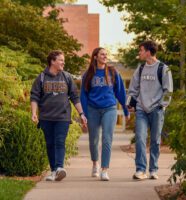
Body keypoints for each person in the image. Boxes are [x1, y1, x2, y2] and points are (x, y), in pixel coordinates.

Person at [30, 50, 87, 181]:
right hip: (46, 117)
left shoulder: (67, 77)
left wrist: (82, 113)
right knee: (50, 144)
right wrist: (34, 113)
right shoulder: (41, 77)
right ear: (52, 61)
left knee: (60, 141)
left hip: (63, 117)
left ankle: (60, 167)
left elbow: (74, 97)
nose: (63, 62)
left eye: (63, 60)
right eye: (61, 60)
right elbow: (34, 97)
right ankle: (53, 171)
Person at [80, 47, 129, 181]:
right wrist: (83, 114)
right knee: (93, 139)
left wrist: (125, 109)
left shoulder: (113, 72)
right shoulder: (88, 74)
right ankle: (95, 163)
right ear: (95, 57)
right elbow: (83, 95)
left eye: (106, 54)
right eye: (102, 54)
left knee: (107, 138)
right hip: (92, 109)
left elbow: (121, 93)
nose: (105, 56)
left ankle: (104, 169)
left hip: (109, 108)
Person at [127, 41, 173, 180]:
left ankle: (153, 169)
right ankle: (141, 169)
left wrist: (162, 105)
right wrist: (130, 104)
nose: (139, 53)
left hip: (156, 110)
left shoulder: (163, 68)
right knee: (140, 138)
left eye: (141, 50)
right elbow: (133, 89)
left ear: (148, 52)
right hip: (141, 109)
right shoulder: (140, 69)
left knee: (155, 140)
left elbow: (168, 90)